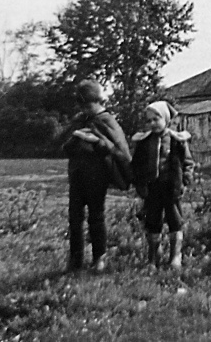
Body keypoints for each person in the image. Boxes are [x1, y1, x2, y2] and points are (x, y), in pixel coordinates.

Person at [61, 79, 131, 273]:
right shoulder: (79, 120)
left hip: (97, 177)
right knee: (75, 218)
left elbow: (118, 150)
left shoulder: (106, 120)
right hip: (77, 176)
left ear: (99, 101)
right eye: (82, 107)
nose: (85, 110)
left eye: (88, 106)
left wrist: (97, 142)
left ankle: (99, 257)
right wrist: (75, 138)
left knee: (96, 217)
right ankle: (75, 259)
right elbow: (65, 147)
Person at [130, 101, 194, 270]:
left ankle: (175, 256)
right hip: (152, 189)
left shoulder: (176, 140)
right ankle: (153, 257)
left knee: (175, 220)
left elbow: (187, 163)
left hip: (171, 188)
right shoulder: (144, 142)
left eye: (156, 119)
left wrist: (185, 180)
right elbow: (137, 165)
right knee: (152, 221)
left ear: (166, 119)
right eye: (149, 120)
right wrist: (139, 183)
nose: (152, 123)